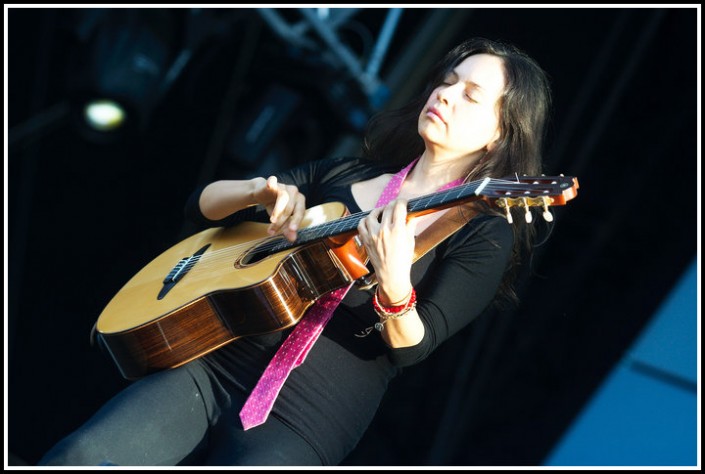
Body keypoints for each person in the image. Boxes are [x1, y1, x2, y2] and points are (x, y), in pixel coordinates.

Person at [38, 36, 553, 466]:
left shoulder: (480, 231)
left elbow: (415, 345)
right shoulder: (342, 174)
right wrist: (259, 193)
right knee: (82, 456)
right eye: (447, 81)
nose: (445, 94)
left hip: (307, 418)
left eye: (471, 95)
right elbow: (204, 206)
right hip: (212, 364)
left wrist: (396, 282)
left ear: (500, 133)